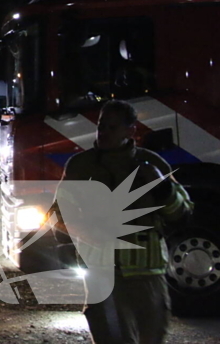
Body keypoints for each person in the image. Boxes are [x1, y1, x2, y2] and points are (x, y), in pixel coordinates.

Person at [54, 100, 192, 344]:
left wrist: (163, 186)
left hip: (147, 277)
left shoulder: (152, 164)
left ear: (131, 131)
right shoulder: (80, 166)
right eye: (101, 126)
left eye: (112, 127)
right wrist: (83, 233)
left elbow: (182, 213)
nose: (103, 132)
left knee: (151, 337)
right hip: (102, 276)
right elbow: (57, 215)